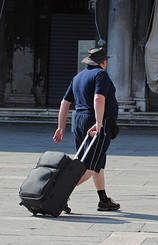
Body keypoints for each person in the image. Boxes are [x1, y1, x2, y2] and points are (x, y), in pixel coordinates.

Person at [53, 47, 120, 212]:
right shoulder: (101, 74)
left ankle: (103, 199)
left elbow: (65, 102)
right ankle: (57, 194)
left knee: (96, 160)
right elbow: (98, 98)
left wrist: (61, 127)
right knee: (90, 165)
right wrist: (98, 122)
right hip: (94, 121)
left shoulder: (78, 77)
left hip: (79, 120)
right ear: (103, 62)